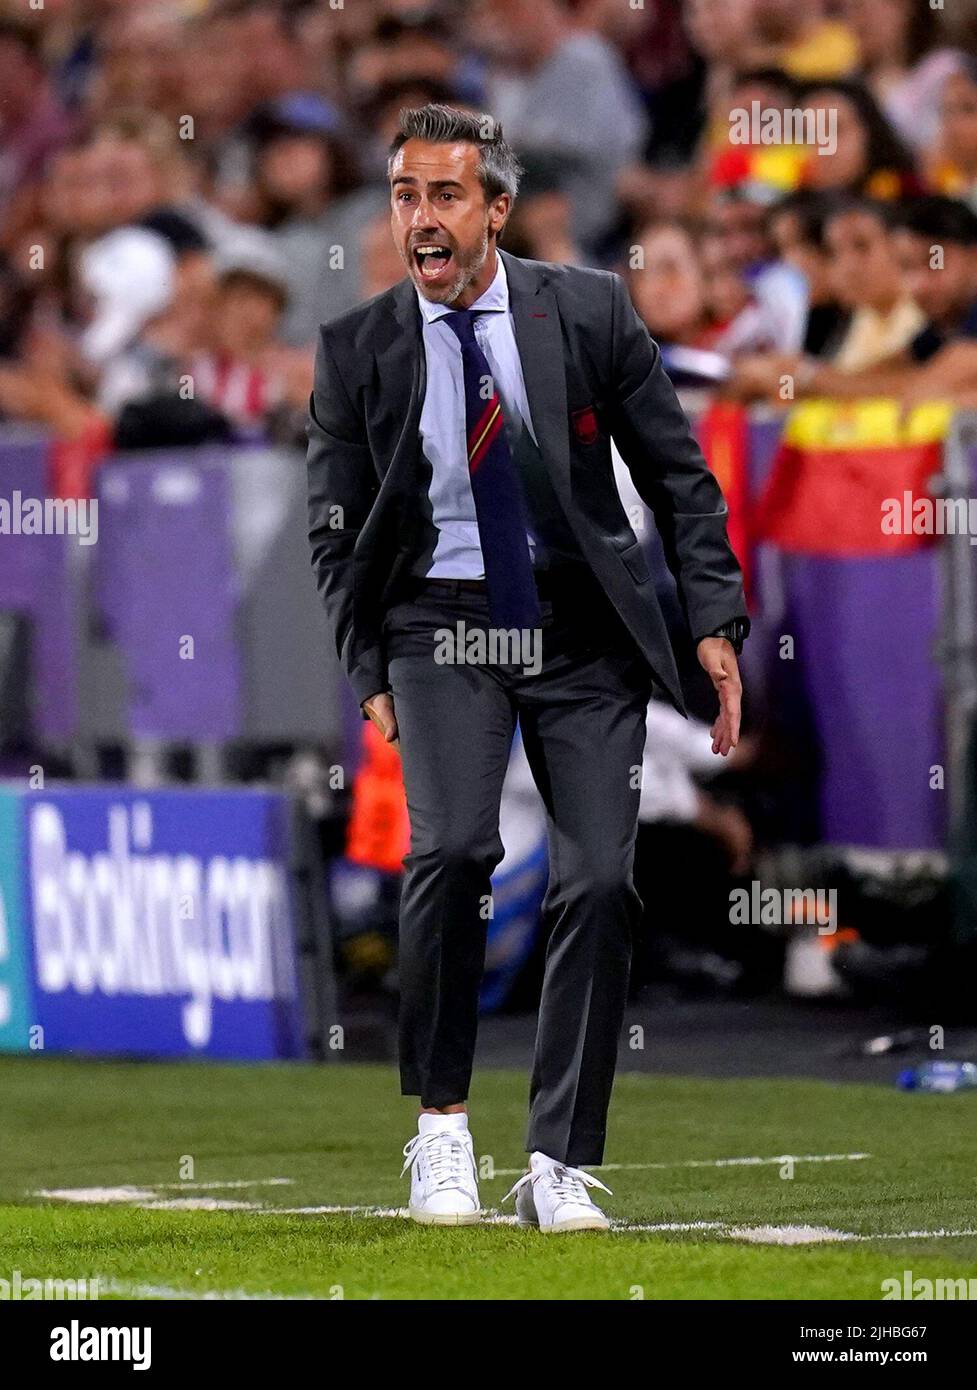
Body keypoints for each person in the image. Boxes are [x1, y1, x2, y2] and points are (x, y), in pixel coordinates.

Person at [306, 103, 749, 1232]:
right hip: (439, 627)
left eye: (445, 195)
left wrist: (713, 621)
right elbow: (334, 528)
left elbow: (680, 476)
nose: (422, 218)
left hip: (579, 628)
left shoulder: (590, 310)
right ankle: (441, 1129)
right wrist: (368, 666)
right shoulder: (359, 347)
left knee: (599, 877)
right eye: (405, 195)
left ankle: (557, 1158)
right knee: (452, 848)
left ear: (495, 210)